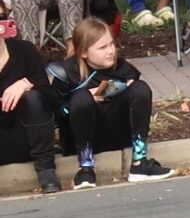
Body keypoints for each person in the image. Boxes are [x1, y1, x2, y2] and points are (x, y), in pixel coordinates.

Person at [44, 17, 171, 186]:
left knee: (140, 88)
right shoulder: (66, 72)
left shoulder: (121, 68)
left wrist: (106, 91)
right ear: (83, 52)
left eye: (112, 44)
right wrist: (85, 97)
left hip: (117, 134)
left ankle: (139, 163)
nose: (110, 51)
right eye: (102, 47)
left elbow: (134, 91)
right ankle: (85, 169)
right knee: (82, 98)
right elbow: (57, 115)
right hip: (81, 139)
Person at [0, 31, 58, 193]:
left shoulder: (24, 50)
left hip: (26, 138)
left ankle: (46, 170)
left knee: (33, 98)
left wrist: (26, 84)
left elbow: (49, 100)